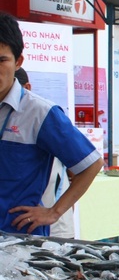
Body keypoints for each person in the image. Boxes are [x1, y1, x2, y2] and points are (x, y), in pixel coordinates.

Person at [0, 12, 103, 236]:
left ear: (18, 62)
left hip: (22, 242)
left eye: (1, 60)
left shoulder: (40, 112)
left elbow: (91, 164)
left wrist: (54, 212)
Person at [15, 68, 75, 238]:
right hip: (20, 229)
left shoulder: (44, 115)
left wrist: (55, 211)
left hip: (55, 230)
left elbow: (88, 165)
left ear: (27, 87)